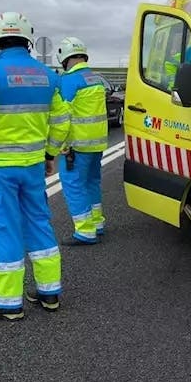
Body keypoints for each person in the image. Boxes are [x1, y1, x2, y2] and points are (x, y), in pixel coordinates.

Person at [0, 11, 71, 321]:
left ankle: (8, 303)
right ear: (29, 41)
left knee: (5, 227)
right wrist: (50, 155)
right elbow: (61, 122)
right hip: (33, 166)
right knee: (38, 221)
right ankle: (49, 293)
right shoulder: (49, 76)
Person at [56, 36, 108, 245]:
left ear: (64, 58)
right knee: (92, 182)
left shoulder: (69, 81)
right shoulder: (95, 78)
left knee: (74, 185)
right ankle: (97, 223)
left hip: (77, 145)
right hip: (98, 143)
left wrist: (60, 144)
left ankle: (85, 231)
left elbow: (62, 116)